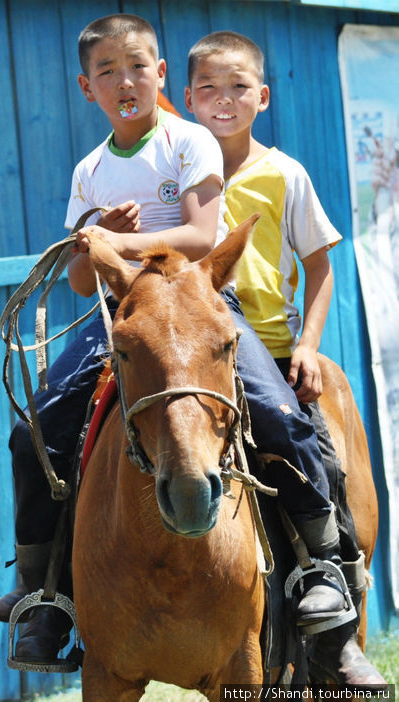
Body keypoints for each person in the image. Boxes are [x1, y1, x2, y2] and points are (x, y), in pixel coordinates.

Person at [0, 13, 227, 666]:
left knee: (277, 411)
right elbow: (76, 277)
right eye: (106, 71)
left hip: (199, 305)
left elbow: (204, 238)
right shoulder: (89, 171)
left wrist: (117, 239)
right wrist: (95, 246)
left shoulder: (189, 143)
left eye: (137, 67)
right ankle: (43, 592)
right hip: (116, 315)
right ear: (84, 87)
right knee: (35, 426)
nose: (124, 81)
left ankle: (318, 568)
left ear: (161, 74)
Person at [185, 30, 386, 688]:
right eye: (209, 88)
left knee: (313, 453)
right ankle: (69, 594)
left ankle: (331, 592)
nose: (224, 99)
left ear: (262, 96)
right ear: (186, 99)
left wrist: (307, 345)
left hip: (268, 345)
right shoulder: (177, 172)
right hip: (194, 353)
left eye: (239, 86)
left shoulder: (283, 173)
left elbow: (321, 265)